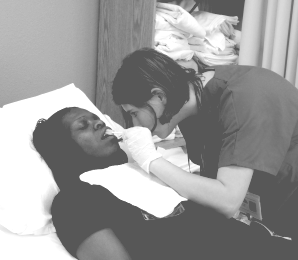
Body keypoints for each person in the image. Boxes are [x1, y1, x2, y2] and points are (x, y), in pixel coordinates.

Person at [112, 47, 298, 244]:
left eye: (134, 113)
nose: (135, 124)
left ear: (159, 96)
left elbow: (227, 199)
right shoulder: (189, 107)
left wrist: (151, 160)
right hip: (267, 215)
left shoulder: (244, 98)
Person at [33, 107, 260, 260]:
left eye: (98, 120)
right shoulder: (74, 201)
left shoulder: (143, 171)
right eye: (83, 126)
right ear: (65, 150)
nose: (99, 124)